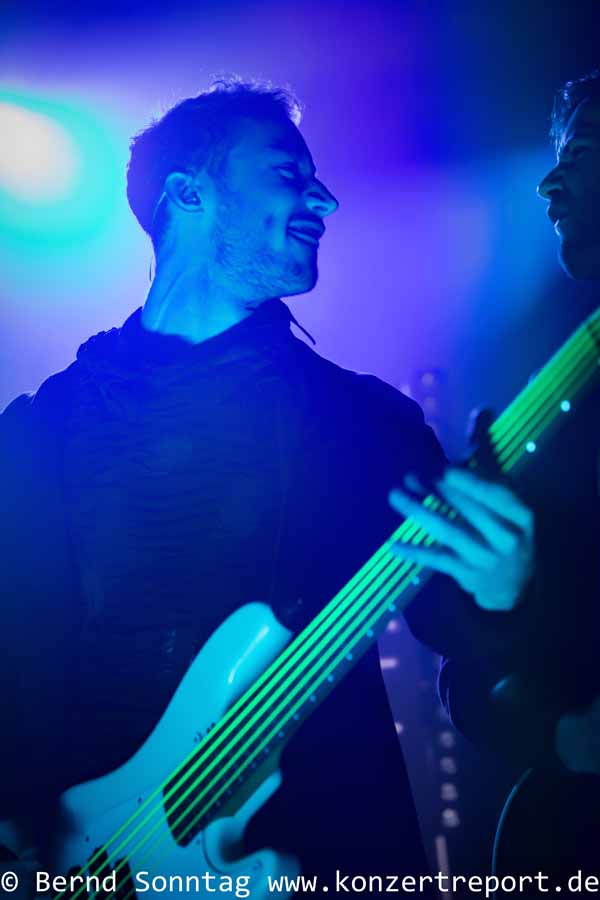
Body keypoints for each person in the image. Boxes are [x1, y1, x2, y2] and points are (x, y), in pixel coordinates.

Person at [0, 77, 533, 892]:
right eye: (289, 173)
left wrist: (502, 596)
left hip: (324, 859)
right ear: (188, 194)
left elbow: (463, 645)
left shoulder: (365, 423)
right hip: (93, 864)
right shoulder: (40, 433)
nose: (325, 199)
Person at [413, 69, 600, 888]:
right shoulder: (539, 412)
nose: (547, 181)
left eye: (580, 152)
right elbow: (462, 665)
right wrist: (560, 734)